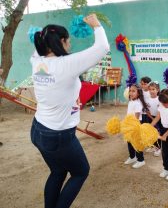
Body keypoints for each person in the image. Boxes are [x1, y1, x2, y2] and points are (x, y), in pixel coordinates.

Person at [30, 14, 109, 208]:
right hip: (58, 134)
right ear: (61, 41)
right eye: (68, 41)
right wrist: (96, 25)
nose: (70, 44)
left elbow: (39, 42)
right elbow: (102, 48)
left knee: (57, 171)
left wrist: (46, 33)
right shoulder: (66, 65)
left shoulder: (36, 59)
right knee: (81, 172)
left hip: (38, 129)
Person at [124, 84, 148, 169]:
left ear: (138, 93)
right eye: (130, 90)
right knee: (129, 141)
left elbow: (137, 117)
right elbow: (129, 113)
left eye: (133, 91)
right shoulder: (131, 101)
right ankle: (132, 157)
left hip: (136, 124)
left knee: (137, 142)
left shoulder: (138, 103)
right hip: (129, 124)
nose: (131, 92)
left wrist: (133, 126)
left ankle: (141, 160)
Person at [146, 81, 162, 157]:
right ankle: (153, 146)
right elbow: (147, 110)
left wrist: (155, 119)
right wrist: (151, 118)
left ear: (158, 90)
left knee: (158, 133)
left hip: (158, 118)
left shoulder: (159, 99)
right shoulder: (147, 99)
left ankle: (159, 148)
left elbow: (161, 112)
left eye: (153, 89)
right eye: (150, 89)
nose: (151, 91)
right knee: (151, 132)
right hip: (150, 117)